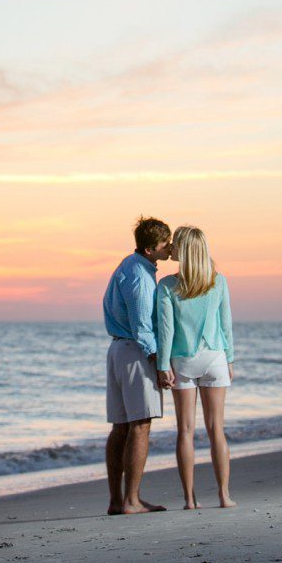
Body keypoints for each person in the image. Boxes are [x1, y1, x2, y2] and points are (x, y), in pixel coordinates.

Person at [156, 225, 236, 510]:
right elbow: (226, 325)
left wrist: (162, 365)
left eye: (175, 244)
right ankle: (224, 496)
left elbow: (165, 331)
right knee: (217, 429)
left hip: (182, 361)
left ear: (184, 251)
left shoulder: (167, 286)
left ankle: (190, 500)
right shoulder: (219, 281)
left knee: (186, 430)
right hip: (214, 357)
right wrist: (230, 358)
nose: (172, 247)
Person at [102, 216, 172, 515]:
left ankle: (119, 501)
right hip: (134, 351)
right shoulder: (142, 277)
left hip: (118, 349)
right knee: (140, 425)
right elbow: (143, 326)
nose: (170, 247)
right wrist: (159, 362)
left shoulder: (128, 265)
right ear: (149, 248)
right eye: (165, 243)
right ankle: (131, 500)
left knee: (121, 427)